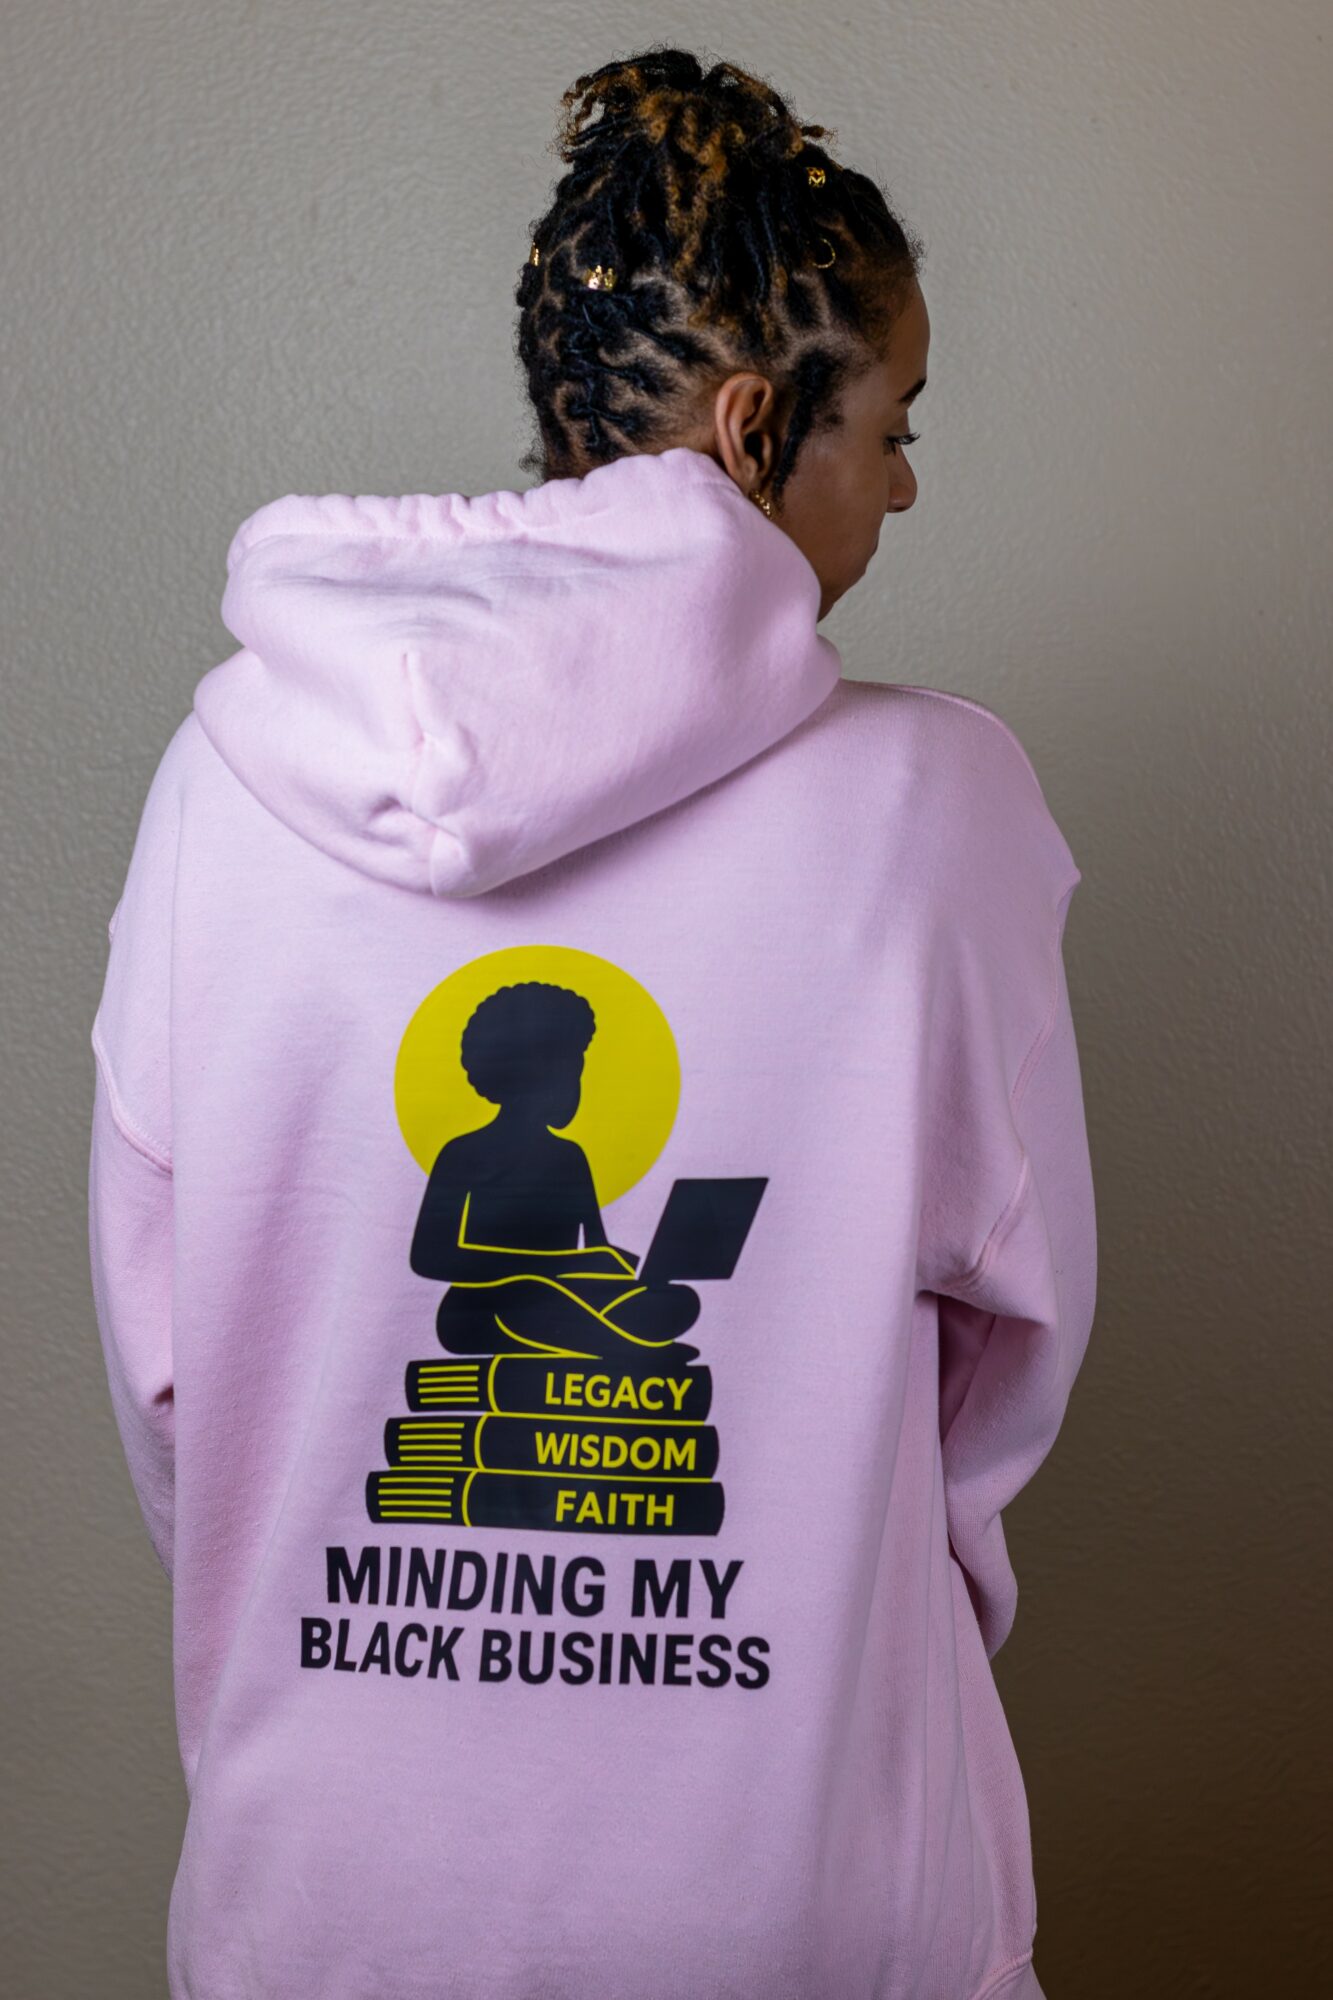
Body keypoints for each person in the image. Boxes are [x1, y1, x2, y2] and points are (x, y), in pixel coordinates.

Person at [88, 46, 1096, 2000]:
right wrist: (849, 1616)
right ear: (752, 426)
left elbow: (176, 1384)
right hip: (798, 1867)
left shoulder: (223, 785)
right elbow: (1002, 1381)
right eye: (888, 426)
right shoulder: (940, 804)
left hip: (333, 1893)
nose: (902, 482)